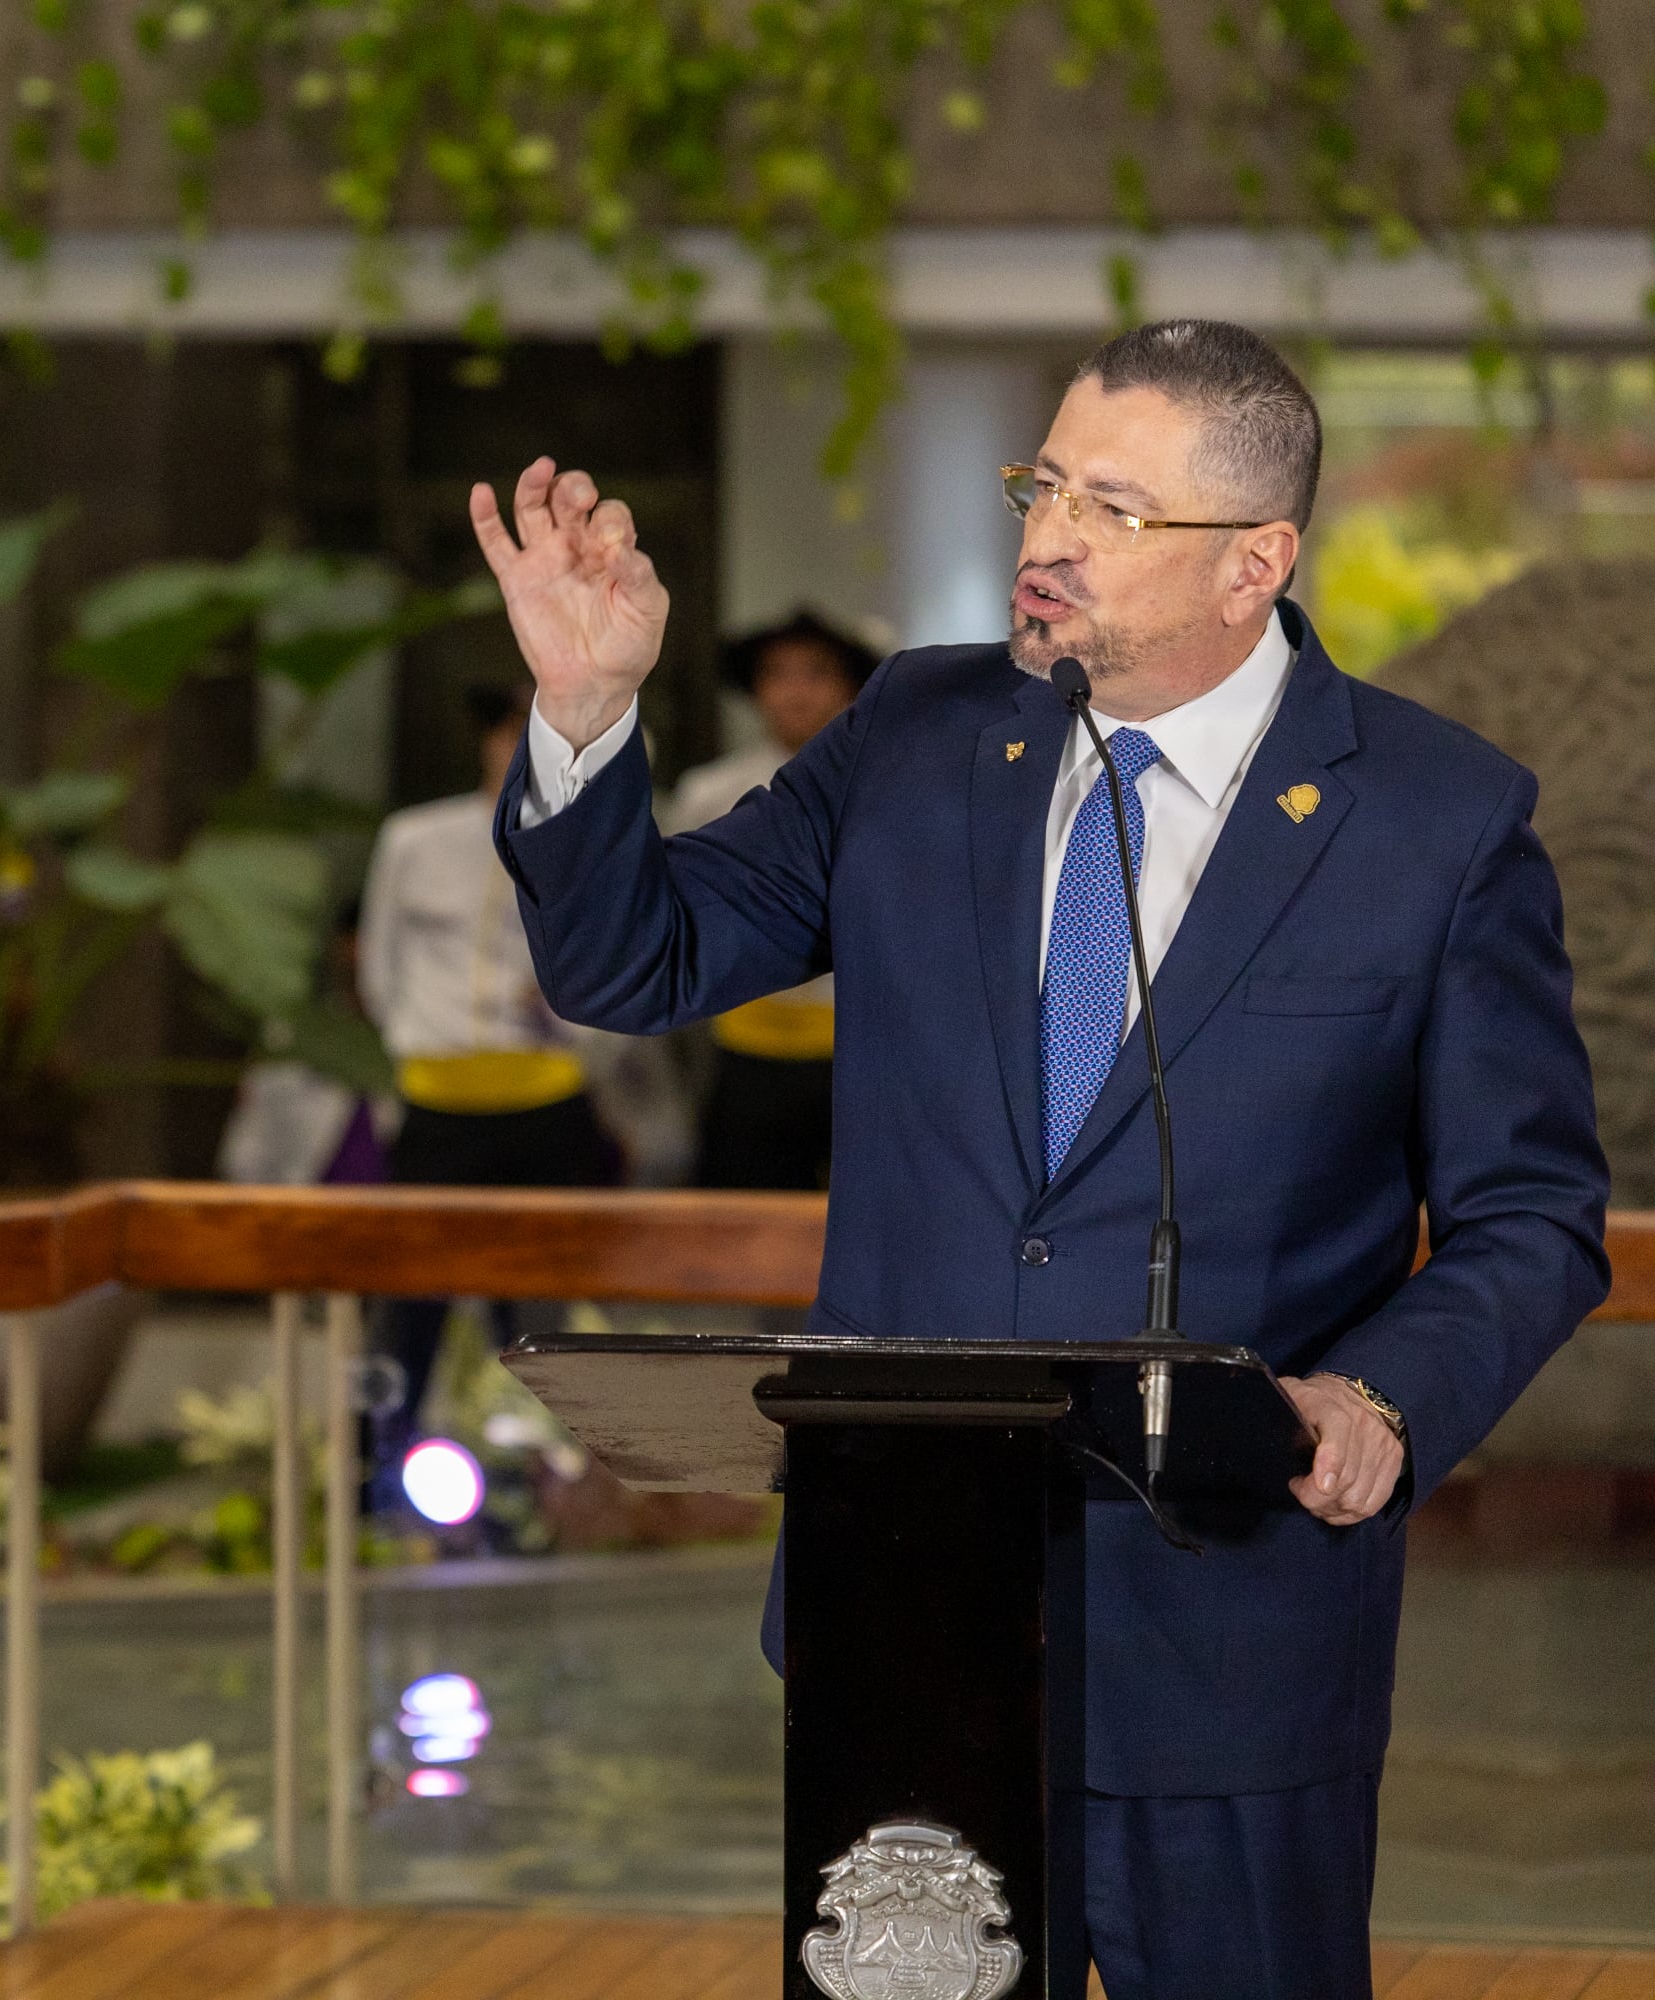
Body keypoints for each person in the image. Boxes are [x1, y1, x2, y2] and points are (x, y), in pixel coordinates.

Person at [469, 319, 1607, 1999]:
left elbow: (1533, 1213)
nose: (1050, 537)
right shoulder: (917, 735)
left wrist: (1381, 1397)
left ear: (1257, 562)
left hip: (1234, 1625)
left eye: (1115, 508)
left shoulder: (1437, 826)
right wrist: (585, 713)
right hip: (906, 1619)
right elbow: (635, 965)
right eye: (1046, 483)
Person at [356, 683, 617, 1500]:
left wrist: (568, 1020)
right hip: (440, 1098)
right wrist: (418, 1047)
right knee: (409, 1300)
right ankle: (375, 1471)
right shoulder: (414, 839)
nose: (520, 754)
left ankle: (552, 1485)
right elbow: (380, 969)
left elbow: (619, 980)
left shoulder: (596, 846)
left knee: (540, 1305)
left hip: (545, 1096)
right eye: (512, 735)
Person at [667, 611, 873, 1190]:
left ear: (848, 686)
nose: (794, 691)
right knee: (738, 1234)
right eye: (776, 675)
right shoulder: (708, 793)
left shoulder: (888, 787)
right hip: (742, 1053)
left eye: (815, 673)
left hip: (857, 1053)